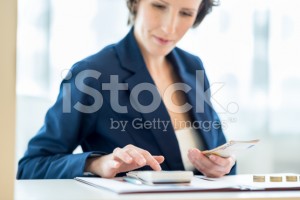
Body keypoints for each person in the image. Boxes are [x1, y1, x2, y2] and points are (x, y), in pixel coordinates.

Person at [17, 0, 236, 179]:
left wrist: (222, 166)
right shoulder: (93, 74)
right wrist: (96, 163)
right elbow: (32, 166)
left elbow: (219, 154)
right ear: (135, 3)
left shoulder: (192, 67)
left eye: (186, 13)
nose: (169, 27)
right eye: (159, 6)